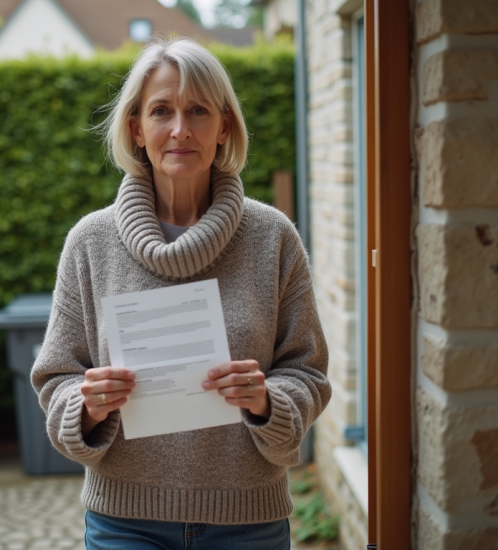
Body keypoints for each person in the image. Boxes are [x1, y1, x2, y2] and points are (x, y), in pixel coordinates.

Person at [31, 36, 330, 549]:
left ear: (224, 127)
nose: (179, 130)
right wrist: (87, 404)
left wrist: (265, 400)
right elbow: (56, 378)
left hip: (248, 521)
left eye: (198, 110)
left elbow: (308, 372)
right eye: (161, 110)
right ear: (136, 128)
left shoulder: (272, 237)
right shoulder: (90, 244)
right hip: (125, 521)